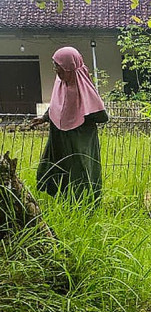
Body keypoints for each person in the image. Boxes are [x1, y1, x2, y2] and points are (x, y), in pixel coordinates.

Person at [35, 46, 108, 200]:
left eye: (59, 67)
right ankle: (62, 201)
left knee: (80, 170)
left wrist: (81, 116)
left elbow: (102, 116)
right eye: (55, 66)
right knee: (59, 167)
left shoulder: (83, 86)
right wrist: (45, 117)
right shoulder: (60, 83)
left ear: (70, 67)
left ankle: (84, 204)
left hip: (79, 141)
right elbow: (57, 106)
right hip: (59, 138)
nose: (56, 70)